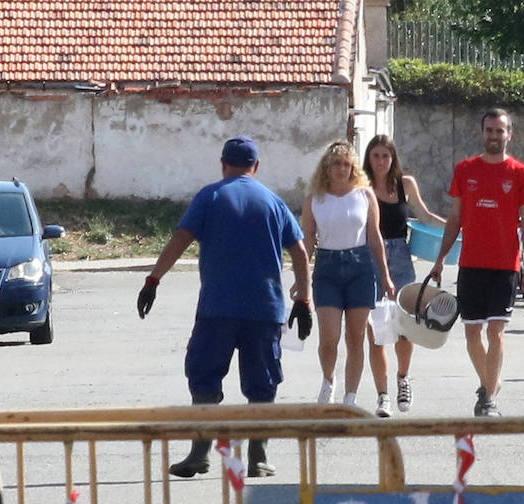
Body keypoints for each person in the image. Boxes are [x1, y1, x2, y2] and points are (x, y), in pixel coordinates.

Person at [136, 135, 311, 478]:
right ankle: (259, 457)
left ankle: (200, 453)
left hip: (217, 308)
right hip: (265, 309)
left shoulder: (210, 196)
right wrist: (304, 300)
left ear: (223, 164)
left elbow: (181, 239)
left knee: (204, 377)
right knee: (263, 383)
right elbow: (301, 253)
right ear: (256, 167)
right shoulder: (273, 202)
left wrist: (153, 280)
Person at [429, 108, 524, 416]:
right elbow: (454, 218)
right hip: (471, 264)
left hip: (505, 266)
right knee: (472, 333)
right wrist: (440, 258)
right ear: (483, 133)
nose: (494, 135)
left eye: (499, 130)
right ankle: (491, 382)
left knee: (496, 331)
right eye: (489, 130)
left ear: (509, 134)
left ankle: (487, 397)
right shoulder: (465, 170)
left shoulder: (521, 174)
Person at [303, 141, 394, 408]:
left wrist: (386, 276)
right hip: (327, 267)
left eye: (346, 164)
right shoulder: (314, 200)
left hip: (360, 266)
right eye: (336, 164)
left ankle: (351, 396)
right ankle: (328, 381)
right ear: (326, 168)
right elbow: (307, 239)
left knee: (356, 336)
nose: (342, 169)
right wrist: (300, 276)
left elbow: (375, 237)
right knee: (328, 338)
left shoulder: (364, 196)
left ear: (353, 167)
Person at [362, 134, 447, 417]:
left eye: (386, 156)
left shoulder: (405, 184)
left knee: (405, 328)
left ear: (393, 158)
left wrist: (455, 229)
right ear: (368, 158)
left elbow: (424, 216)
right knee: (376, 331)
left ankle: (403, 379)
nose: (381, 161)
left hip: (401, 258)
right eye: (376, 156)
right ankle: (382, 395)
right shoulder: (361, 186)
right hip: (370, 258)